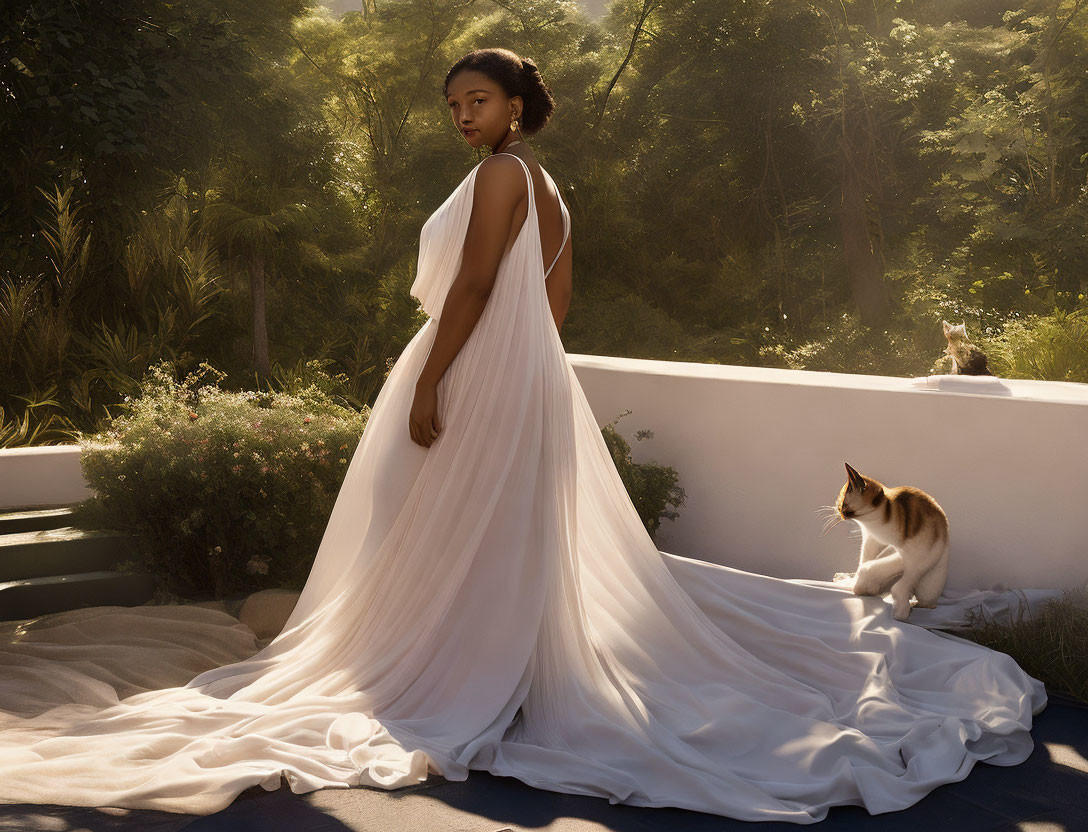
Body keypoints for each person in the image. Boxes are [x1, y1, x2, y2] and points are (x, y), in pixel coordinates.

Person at [0, 48, 1046, 823]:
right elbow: (554, 307)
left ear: (515, 107)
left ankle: (459, 664)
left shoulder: (505, 175)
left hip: (473, 369)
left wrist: (441, 375)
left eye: (478, 100)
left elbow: (468, 288)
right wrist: (519, 371)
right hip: (522, 375)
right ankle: (487, 652)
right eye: (453, 103)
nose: (462, 115)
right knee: (492, 526)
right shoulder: (548, 189)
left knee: (444, 523)